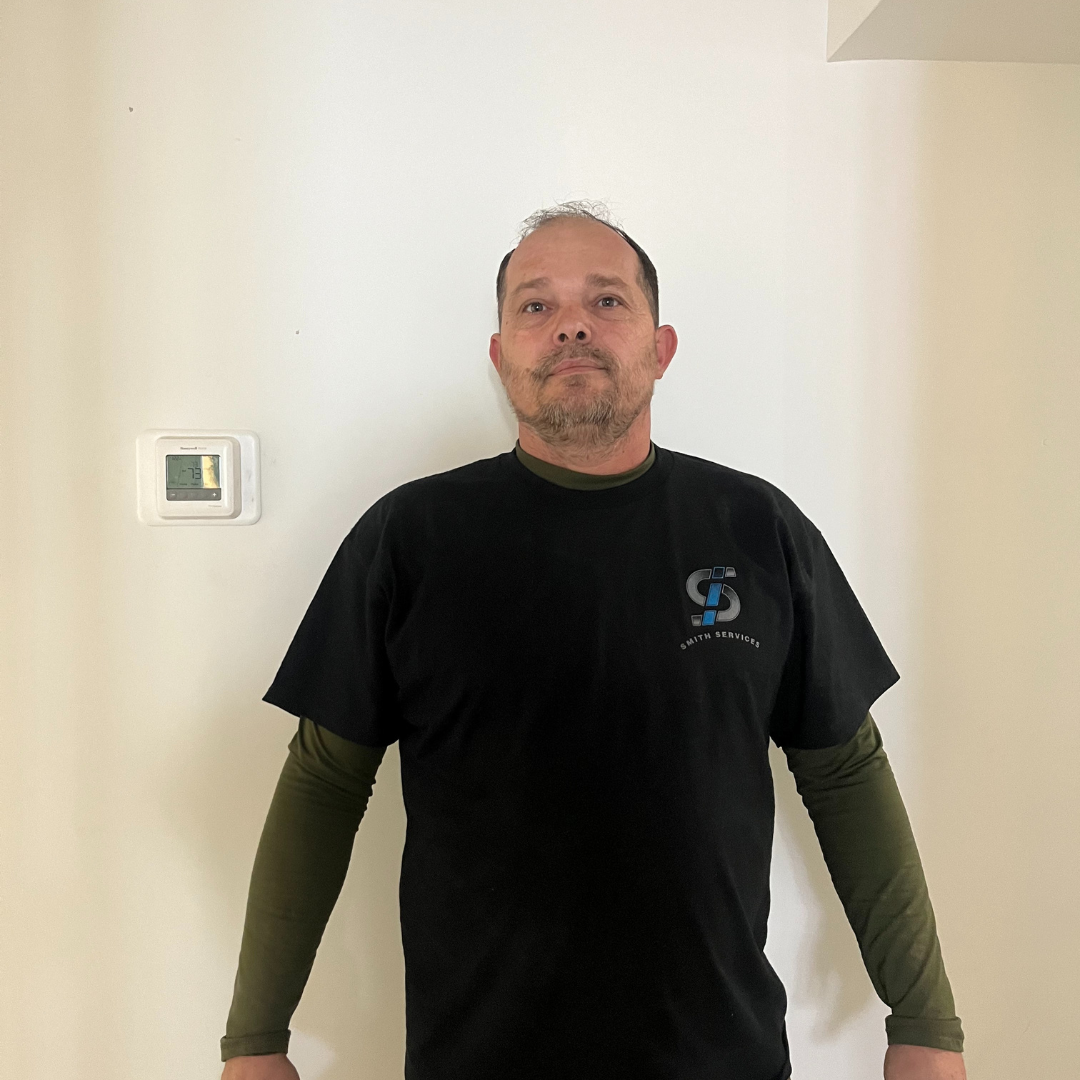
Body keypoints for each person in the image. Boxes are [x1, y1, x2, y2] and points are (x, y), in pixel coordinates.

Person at [220, 203, 966, 1080]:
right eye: (536, 306)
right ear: (501, 356)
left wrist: (925, 1021)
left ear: (662, 347)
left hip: (718, 1058)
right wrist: (256, 1039)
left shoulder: (757, 528)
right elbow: (322, 784)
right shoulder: (409, 539)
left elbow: (845, 773)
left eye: (607, 300)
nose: (571, 324)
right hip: (478, 1061)